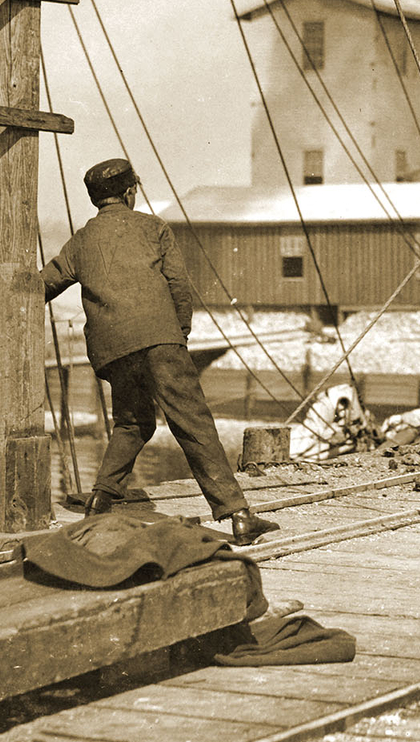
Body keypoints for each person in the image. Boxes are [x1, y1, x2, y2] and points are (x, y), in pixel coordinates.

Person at [41, 158, 278, 545]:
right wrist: (176, 337)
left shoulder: (81, 240)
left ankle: (100, 500)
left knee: (134, 423)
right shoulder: (154, 228)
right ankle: (238, 515)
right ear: (131, 191)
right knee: (193, 422)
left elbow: (43, 284)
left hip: (111, 350)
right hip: (159, 339)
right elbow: (178, 288)